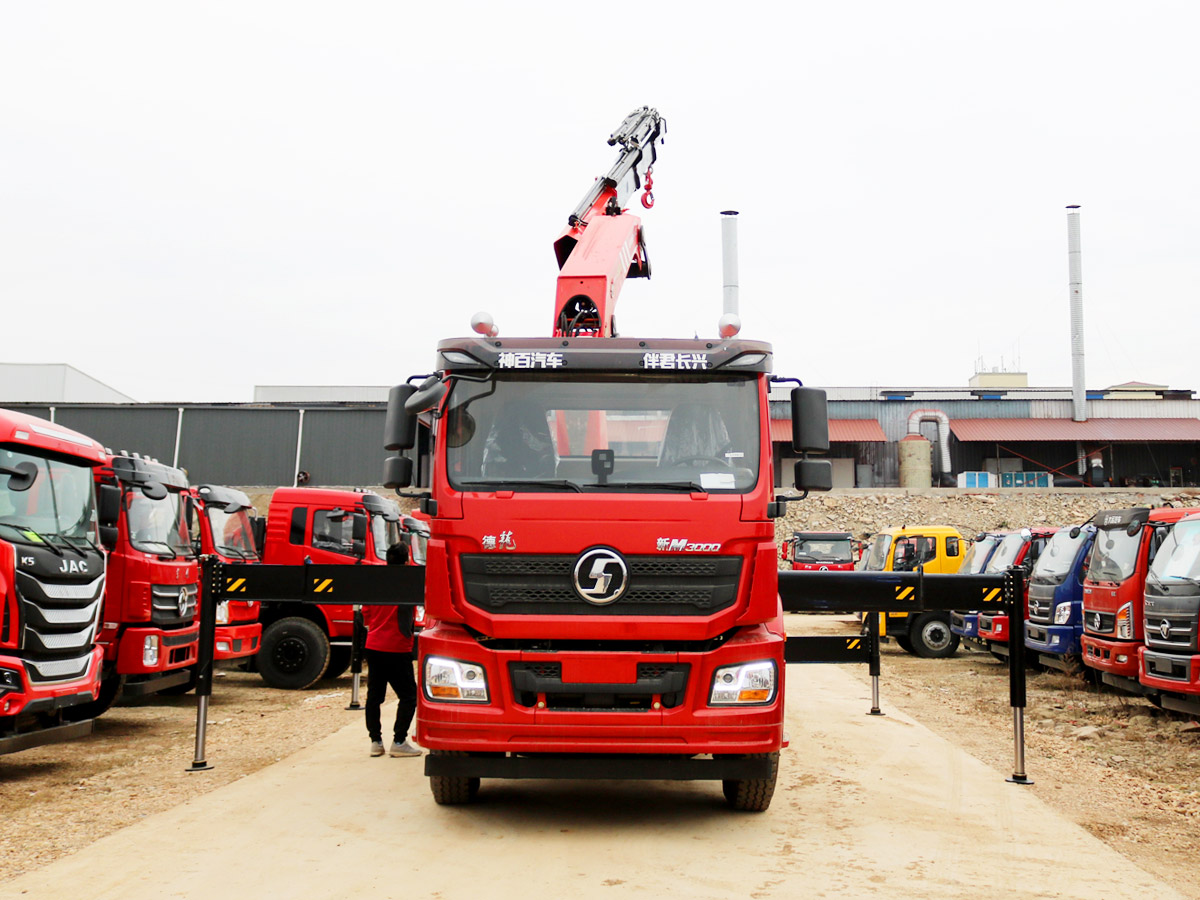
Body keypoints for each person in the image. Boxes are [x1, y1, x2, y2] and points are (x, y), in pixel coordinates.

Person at [364, 600, 420, 758]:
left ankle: (375, 741)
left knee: (374, 697)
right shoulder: (404, 591)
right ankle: (399, 741)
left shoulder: (374, 591)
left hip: (374, 644)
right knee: (409, 696)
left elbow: (366, 613)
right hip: (397, 646)